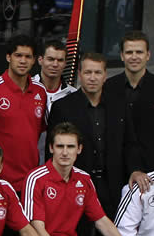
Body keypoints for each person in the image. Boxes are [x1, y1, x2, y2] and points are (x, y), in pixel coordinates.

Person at [49, 52, 124, 216]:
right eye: (88, 72)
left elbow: (128, 143)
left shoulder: (119, 106)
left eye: (97, 73)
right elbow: (54, 150)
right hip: (75, 184)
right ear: (79, 75)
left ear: (105, 76)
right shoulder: (62, 107)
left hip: (112, 184)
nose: (92, 77)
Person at [106, 31, 154, 199]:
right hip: (115, 169)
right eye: (129, 52)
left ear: (148, 55)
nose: (134, 57)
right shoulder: (109, 87)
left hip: (152, 170)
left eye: (139, 52)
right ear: (122, 56)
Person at [0, 37, 49, 190]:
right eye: (18, 55)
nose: (23, 61)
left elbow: (39, 133)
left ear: (34, 61)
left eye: (28, 57)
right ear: (8, 57)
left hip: (29, 180)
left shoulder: (40, 91)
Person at [33, 39, 76, 109]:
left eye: (60, 60)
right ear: (40, 60)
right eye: (50, 59)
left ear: (65, 63)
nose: (55, 64)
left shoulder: (73, 94)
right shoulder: (26, 87)